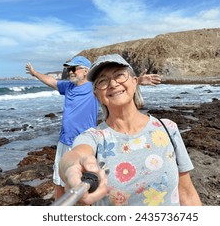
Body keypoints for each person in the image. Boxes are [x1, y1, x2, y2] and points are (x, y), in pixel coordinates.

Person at [59, 54, 202, 206]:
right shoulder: (93, 137)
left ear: (135, 83)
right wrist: (71, 169)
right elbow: (75, 156)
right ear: (97, 95)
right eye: (102, 81)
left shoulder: (168, 128)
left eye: (119, 75)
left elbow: (187, 193)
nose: (113, 84)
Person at [25, 55, 161, 201]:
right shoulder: (68, 87)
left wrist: (138, 81)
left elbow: (112, 89)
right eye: (69, 69)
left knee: (89, 185)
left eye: (74, 69)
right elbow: (52, 81)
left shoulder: (93, 88)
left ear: (85, 71)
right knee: (59, 180)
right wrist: (35, 73)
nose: (70, 72)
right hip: (64, 142)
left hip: (87, 144)